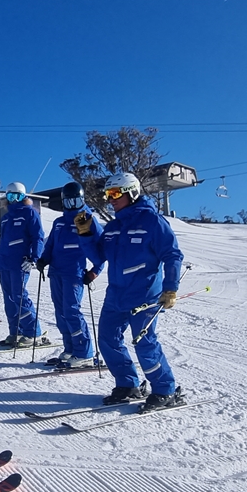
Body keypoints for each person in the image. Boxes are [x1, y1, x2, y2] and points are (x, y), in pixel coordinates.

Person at [76, 172, 185, 413]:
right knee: (107, 339)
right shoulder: (113, 226)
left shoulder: (153, 222)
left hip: (144, 294)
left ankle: (165, 390)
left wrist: (170, 288)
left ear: (132, 193)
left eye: (115, 194)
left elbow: (172, 255)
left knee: (144, 342)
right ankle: (127, 385)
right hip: (116, 294)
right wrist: (85, 235)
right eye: (108, 195)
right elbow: (99, 256)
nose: (110, 199)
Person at [35, 181, 103, 368]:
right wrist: (43, 259)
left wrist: (94, 272)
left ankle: (85, 352)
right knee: (61, 313)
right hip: (56, 272)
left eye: (76, 201)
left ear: (81, 200)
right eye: (69, 202)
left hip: (74, 273)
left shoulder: (85, 219)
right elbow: (51, 245)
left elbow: (101, 248)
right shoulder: (59, 222)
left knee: (72, 311)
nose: (72, 205)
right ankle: (71, 348)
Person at [0, 182, 47, 347]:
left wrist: (34, 258)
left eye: (17, 196)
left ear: (23, 196)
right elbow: (3, 240)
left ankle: (33, 332)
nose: (13, 200)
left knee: (19, 296)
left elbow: (38, 237)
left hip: (19, 262)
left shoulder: (29, 213)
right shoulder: (6, 217)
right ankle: (15, 331)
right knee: (9, 299)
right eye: (10, 196)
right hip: (5, 262)